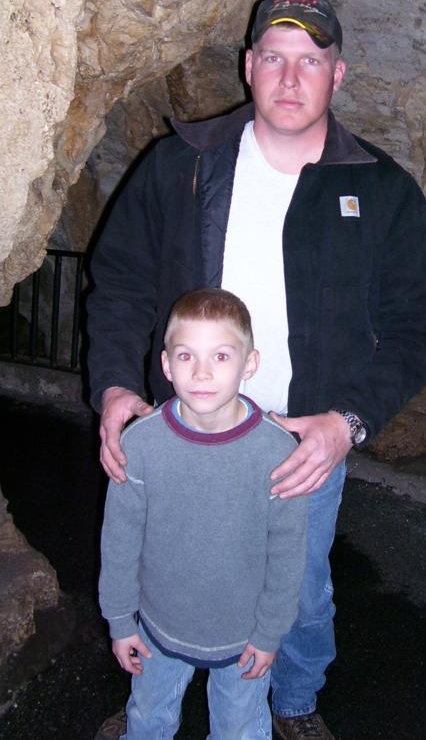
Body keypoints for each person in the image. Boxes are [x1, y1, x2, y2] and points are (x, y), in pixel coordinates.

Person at [87, 0, 426, 740]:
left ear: (338, 75)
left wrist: (345, 425)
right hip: (178, 428)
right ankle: (151, 706)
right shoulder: (183, 165)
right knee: (164, 568)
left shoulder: (380, 192)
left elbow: (419, 326)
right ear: (249, 66)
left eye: (310, 62)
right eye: (276, 60)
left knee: (302, 588)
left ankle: (292, 701)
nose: (291, 79)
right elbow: (119, 280)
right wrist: (118, 385)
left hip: (297, 443)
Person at [99, 287, 308, 740]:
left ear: (249, 364)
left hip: (243, 637)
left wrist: (270, 633)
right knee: (147, 721)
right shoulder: (140, 445)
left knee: (239, 731)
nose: (202, 372)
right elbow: (119, 542)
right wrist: (120, 621)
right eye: (187, 356)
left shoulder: (277, 452)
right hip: (157, 629)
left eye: (221, 356)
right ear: (166, 365)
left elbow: (288, 554)